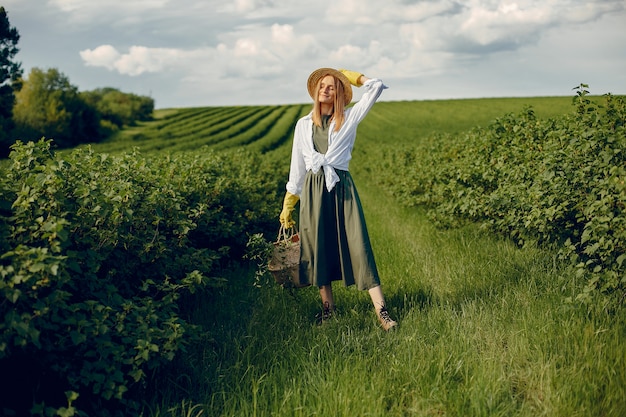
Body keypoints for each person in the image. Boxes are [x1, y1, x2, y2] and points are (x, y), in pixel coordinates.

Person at [279, 67, 397, 331]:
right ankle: (328, 310)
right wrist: (289, 203)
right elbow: (297, 167)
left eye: (332, 86)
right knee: (318, 246)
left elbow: (376, 87)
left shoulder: (350, 118)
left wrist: (354, 77)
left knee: (358, 243)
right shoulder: (303, 125)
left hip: (341, 188)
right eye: (322, 85)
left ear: (340, 93)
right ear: (315, 91)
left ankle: (382, 311)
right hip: (312, 191)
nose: (326, 89)